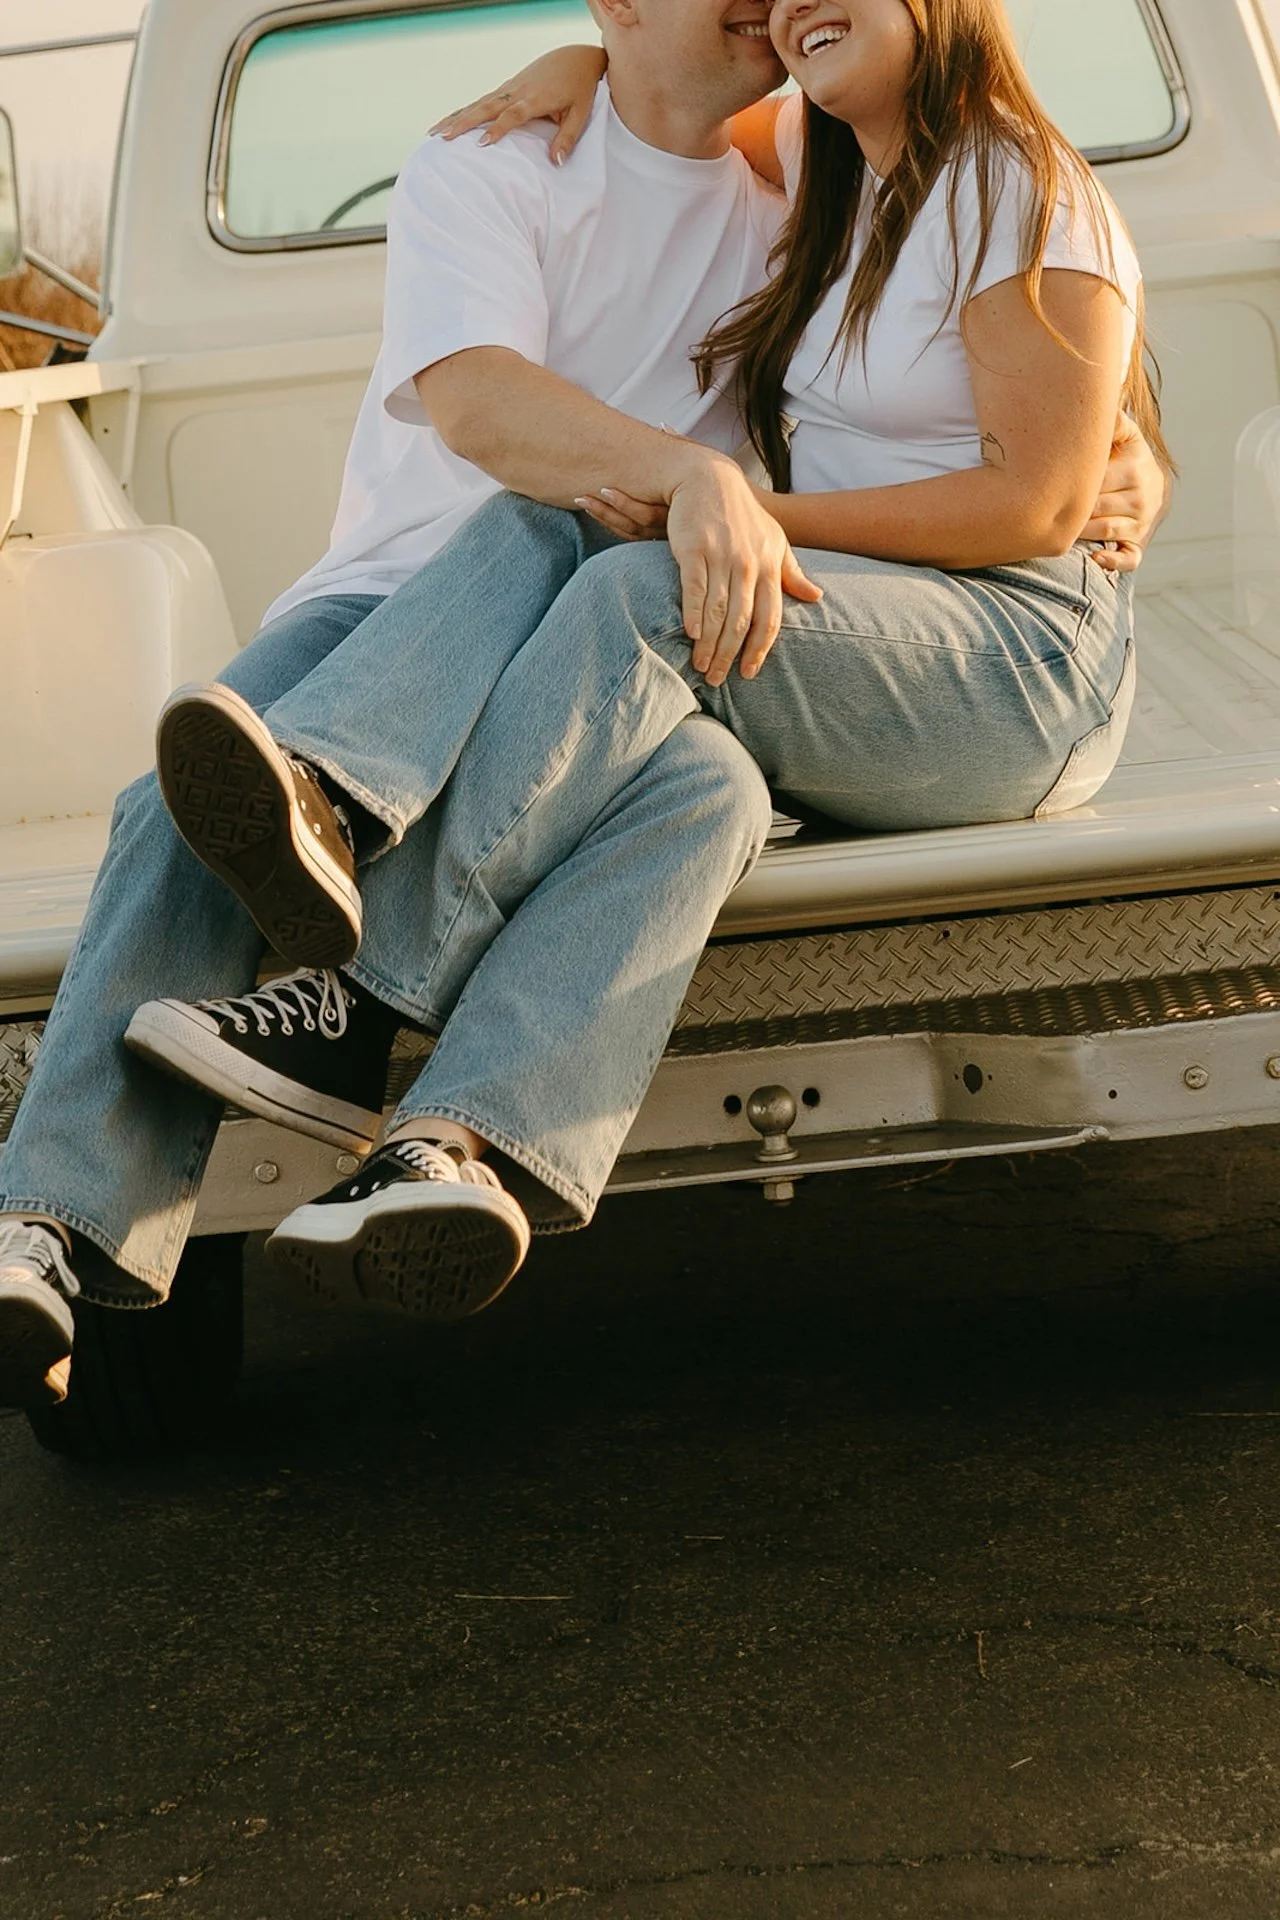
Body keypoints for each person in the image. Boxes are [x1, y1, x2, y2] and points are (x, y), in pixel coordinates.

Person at [0, 0, 1165, 1409]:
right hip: (407, 605)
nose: (777, 2)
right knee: (186, 810)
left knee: (667, 684)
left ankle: (399, 1064)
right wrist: (692, 477)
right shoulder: (531, 161)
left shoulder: (822, 167)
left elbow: (1042, 428)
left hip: (688, 613)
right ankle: (65, 1225)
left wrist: (1107, 457)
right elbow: (484, 403)